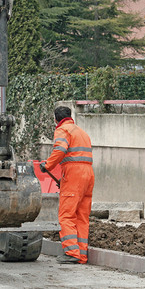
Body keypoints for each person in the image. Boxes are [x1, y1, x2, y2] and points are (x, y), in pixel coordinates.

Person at [40, 106, 95, 264]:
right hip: (88, 174)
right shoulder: (81, 132)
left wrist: (48, 165)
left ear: (56, 119)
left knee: (66, 215)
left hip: (74, 175)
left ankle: (71, 252)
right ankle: (82, 254)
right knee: (82, 217)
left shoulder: (62, 130)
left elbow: (60, 150)